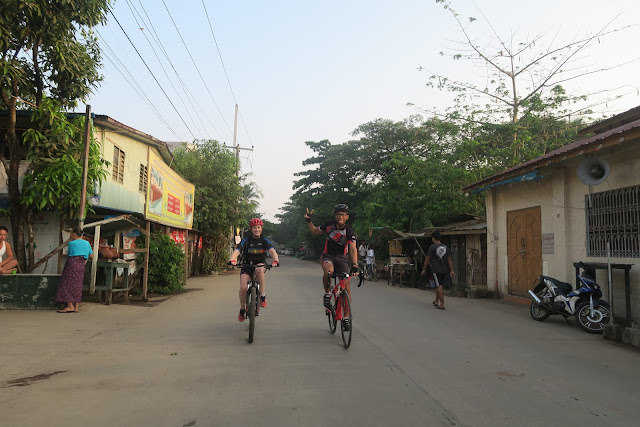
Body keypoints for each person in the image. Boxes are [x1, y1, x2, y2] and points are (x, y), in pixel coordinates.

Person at [304, 204, 358, 330]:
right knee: (329, 271)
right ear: (335, 216)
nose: (341, 217)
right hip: (328, 256)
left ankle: (346, 318)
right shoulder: (329, 225)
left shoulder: (349, 231)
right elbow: (314, 231)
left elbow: (353, 249)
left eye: (343, 215)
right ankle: (327, 294)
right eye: (339, 214)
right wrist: (308, 221)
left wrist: (355, 264)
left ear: (347, 217)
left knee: (346, 286)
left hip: (342, 259)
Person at [229, 218, 279, 322]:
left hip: (260, 264)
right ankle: (242, 309)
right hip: (247, 265)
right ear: (251, 229)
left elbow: (272, 251)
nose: (257, 230)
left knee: (259, 269)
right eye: (254, 228)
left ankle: (262, 296)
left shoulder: (264, 240)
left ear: (261, 228)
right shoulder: (246, 240)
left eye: (259, 227)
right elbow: (238, 250)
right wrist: (232, 259)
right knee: (243, 287)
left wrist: (276, 260)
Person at [55, 226, 93, 313]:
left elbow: (69, 253)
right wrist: (84, 260)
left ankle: (70, 306)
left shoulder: (72, 243)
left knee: (66, 284)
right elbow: (91, 255)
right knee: (78, 285)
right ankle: (76, 307)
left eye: (71, 233)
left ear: (74, 234)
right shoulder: (87, 243)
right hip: (81, 265)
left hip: (71, 264)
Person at [421, 230, 454, 310]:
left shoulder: (432, 247)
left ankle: (442, 304)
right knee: (439, 284)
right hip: (445, 269)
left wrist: (424, 268)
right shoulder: (446, 247)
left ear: (433, 238)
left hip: (436, 269)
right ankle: (436, 301)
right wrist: (452, 270)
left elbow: (427, 258)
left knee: (439, 285)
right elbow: (449, 259)